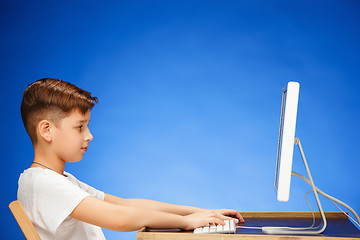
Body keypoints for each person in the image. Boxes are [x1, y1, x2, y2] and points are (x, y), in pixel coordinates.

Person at [18, 78, 244, 239]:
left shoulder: (60, 180)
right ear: (46, 130)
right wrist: (187, 222)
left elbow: (126, 204)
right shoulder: (42, 183)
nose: (89, 135)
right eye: (79, 127)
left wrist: (197, 212)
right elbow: (121, 218)